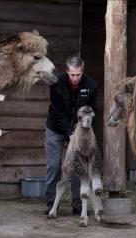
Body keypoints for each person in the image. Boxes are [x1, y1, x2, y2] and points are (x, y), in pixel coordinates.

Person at [44, 56, 98, 215]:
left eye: (78, 75)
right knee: (54, 165)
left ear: (83, 72)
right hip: (55, 128)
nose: (75, 78)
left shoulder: (91, 85)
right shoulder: (56, 85)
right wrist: (70, 133)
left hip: (78, 130)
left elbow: (90, 111)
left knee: (79, 166)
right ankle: (51, 204)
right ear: (67, 71)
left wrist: (80, 132)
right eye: (72, 75)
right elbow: (57, 113)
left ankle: (78, 204)